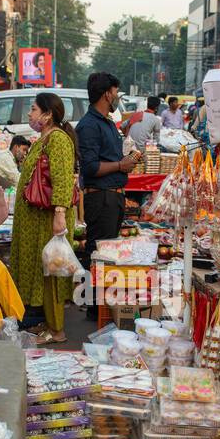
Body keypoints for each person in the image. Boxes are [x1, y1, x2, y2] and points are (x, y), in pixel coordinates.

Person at [10, 93, 79, 345]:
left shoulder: (58, 139)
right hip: (37, 222)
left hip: (50, 220)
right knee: (44, 272)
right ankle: (48, 322)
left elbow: (62, 178)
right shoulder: (45, 138)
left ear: (48, 114)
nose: (30, 114)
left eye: (34, 109)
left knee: (52, 271)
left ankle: (57, 330)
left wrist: (59, 215)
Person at [77, 72, 141, 318]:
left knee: (106, 254)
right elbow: (91, 167)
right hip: (101, 197)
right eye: (115, 92)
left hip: (112, 195)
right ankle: (95, 311)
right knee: (99, 254)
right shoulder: (89, 125)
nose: (116, 96)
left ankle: (101, 308)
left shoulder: (106, 122)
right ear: (106, 94)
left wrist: (126, 162)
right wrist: (120, 165)